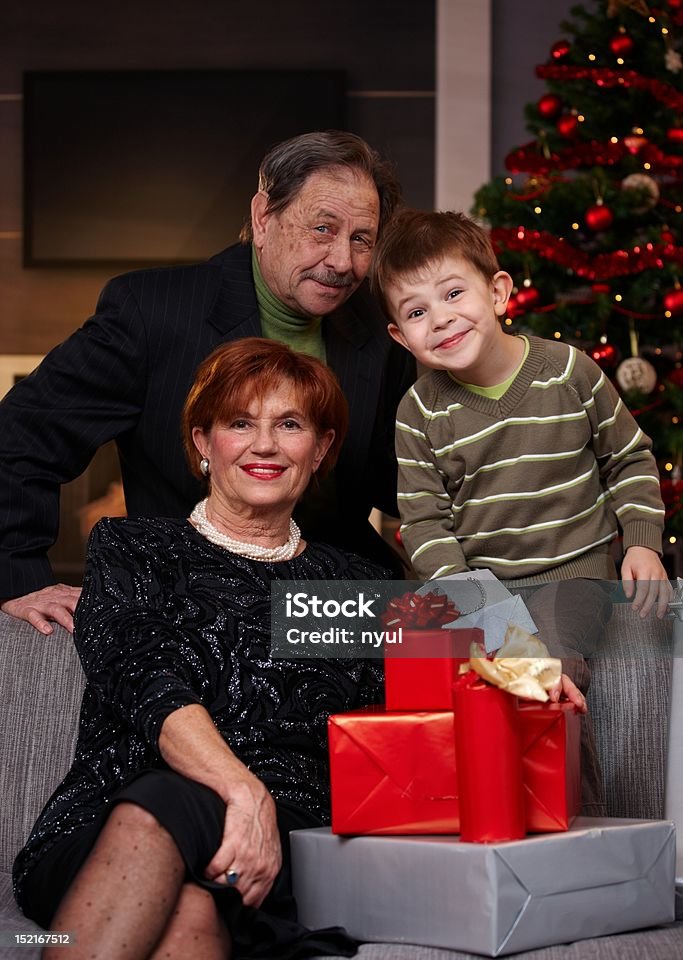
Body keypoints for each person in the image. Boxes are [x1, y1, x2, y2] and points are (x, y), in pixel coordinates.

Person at [13, 338, 389, 960]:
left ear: (320, 449)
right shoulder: (136, 549)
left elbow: (496, 640)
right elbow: (147, 678)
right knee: (168, 817)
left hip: (282, 847)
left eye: (289, 424)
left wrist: (533, 660)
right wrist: (243, 792)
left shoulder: (354, 587)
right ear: (202, 442)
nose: (264, 445)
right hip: (119, 821)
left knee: (191, 902)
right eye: (240, 423)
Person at [0, 130, 415, 633]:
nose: (342, 262)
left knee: (482, 630)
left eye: (361, 239)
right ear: (264, 217)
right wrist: (19, 578)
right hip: (193, 603)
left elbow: (402, 484)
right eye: (322, 229)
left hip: (329, 602)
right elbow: (18, 438)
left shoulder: (380, 326)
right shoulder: (152, 313)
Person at [370, 208, 672, 813]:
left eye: (454, 293)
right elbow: (425, 524)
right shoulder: (420, 413)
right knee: (431, 675)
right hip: (479, 588)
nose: (442, 319)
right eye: (417, 311)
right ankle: (481, 823)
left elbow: (629, 458)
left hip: (571, 577)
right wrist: (471, 603)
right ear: (401, 336)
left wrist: (642, 541)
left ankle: (582, 833)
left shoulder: (567, 371)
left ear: (500, 292)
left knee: (545, 675)